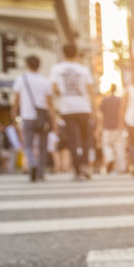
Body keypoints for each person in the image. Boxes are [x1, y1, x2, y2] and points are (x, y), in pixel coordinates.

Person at [49, 43, 95, 180]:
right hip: (84, 108)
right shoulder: (83, 69)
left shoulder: (56, 69)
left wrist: (63, 94)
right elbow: (90, 91)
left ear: (64, 54)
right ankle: (84, 165)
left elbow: (54, 88)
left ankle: (77, 169)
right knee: (86, 138)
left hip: (67, 108)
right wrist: (94, 110)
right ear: (76, 54)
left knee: (73, 140)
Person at [12, 55, 53, 182]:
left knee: (28, 144)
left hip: (28, 116)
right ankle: (41, 172)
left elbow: (16, 99)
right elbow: (49, 102)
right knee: (42, 146)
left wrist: (13, 111)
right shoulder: (45, 80)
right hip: (42, 116)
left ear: (27, 64)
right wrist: (54, 118)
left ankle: (32, 164)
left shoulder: (21, 79)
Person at [98, 84, 125, 174]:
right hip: (118, 127)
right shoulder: (120, 101)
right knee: (119, 147)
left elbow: (101, 115)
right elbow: (123, 112)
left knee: (106, 145)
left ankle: (110, 158)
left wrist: (99, 127)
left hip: (107, 126)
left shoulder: (104, 101)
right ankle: (121, 167)